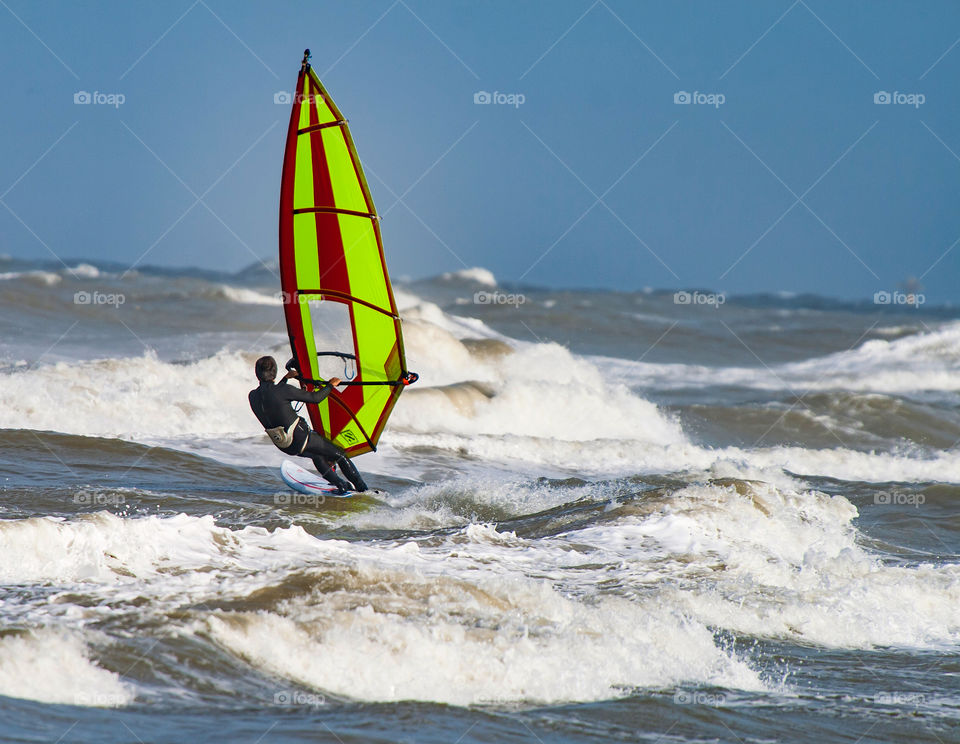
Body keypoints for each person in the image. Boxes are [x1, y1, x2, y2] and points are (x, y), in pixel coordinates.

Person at [248, 355, 368, 493]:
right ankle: (363, 489)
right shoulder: (283, 391)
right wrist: (330, 385)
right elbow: (315, 398)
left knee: (317, 456)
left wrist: (286, 378)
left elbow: (271, 395)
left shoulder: (252, 396)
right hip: (300, 437)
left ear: (257, 374)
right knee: (340, 455)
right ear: (274, 371)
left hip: (285, 445)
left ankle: (340, 484)